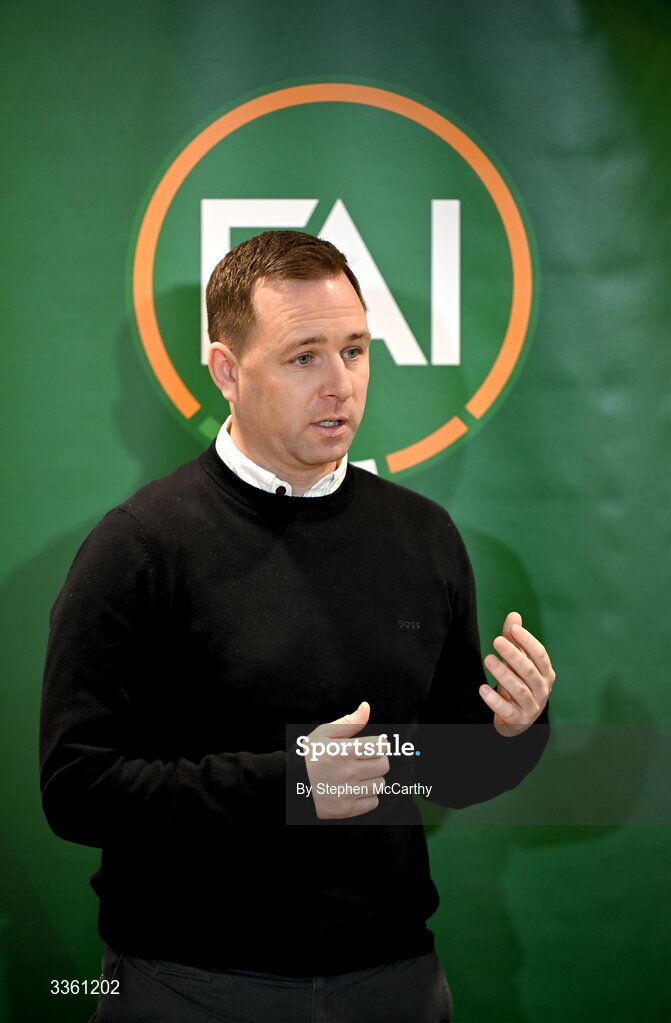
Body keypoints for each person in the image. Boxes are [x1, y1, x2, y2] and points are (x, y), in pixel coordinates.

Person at [40, 230, 555, 1022]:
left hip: (394, 977)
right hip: (184, 983)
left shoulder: (424, 536)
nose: (340, 386)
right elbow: (76, 790)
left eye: (353, 350)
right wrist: (288, 784)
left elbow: (435, 772)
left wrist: (511, 732)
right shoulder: (139, 545)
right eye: (303, 356)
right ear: (225, 371)